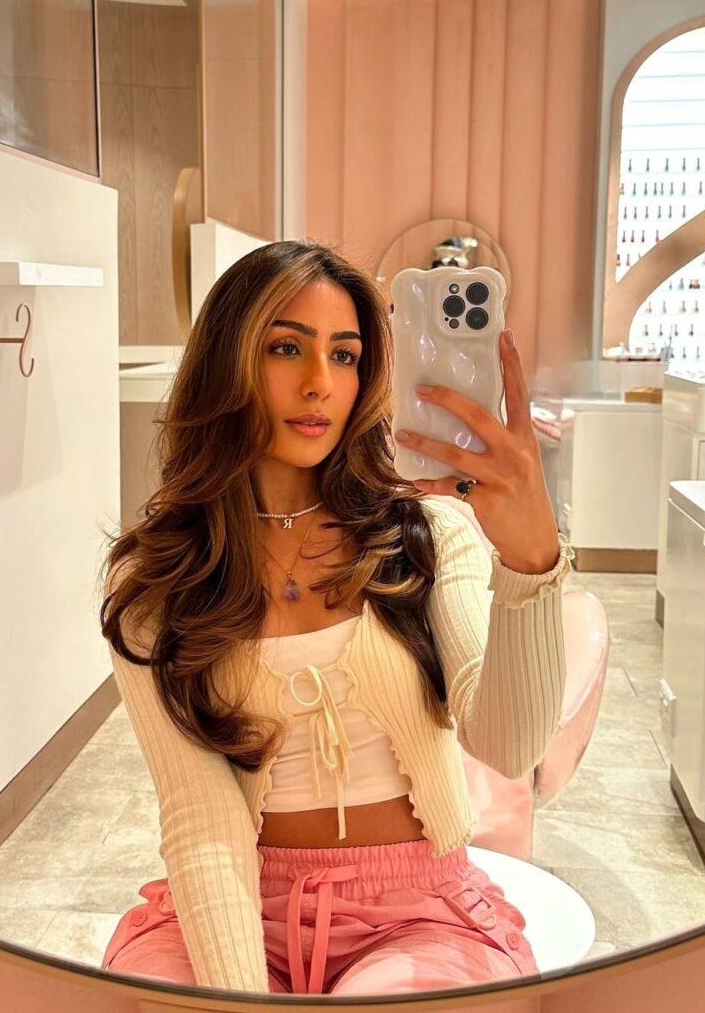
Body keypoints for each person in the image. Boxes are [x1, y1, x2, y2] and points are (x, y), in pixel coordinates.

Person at [98, 239, 572, 996]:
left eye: (344, 355)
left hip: (418, 913)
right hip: (232, 902)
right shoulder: (160, 579)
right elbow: (201, 821)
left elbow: (508, 745)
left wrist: (530, 561)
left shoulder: (426, 536)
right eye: (286, 348)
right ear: (226, 361)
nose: (321, 383)